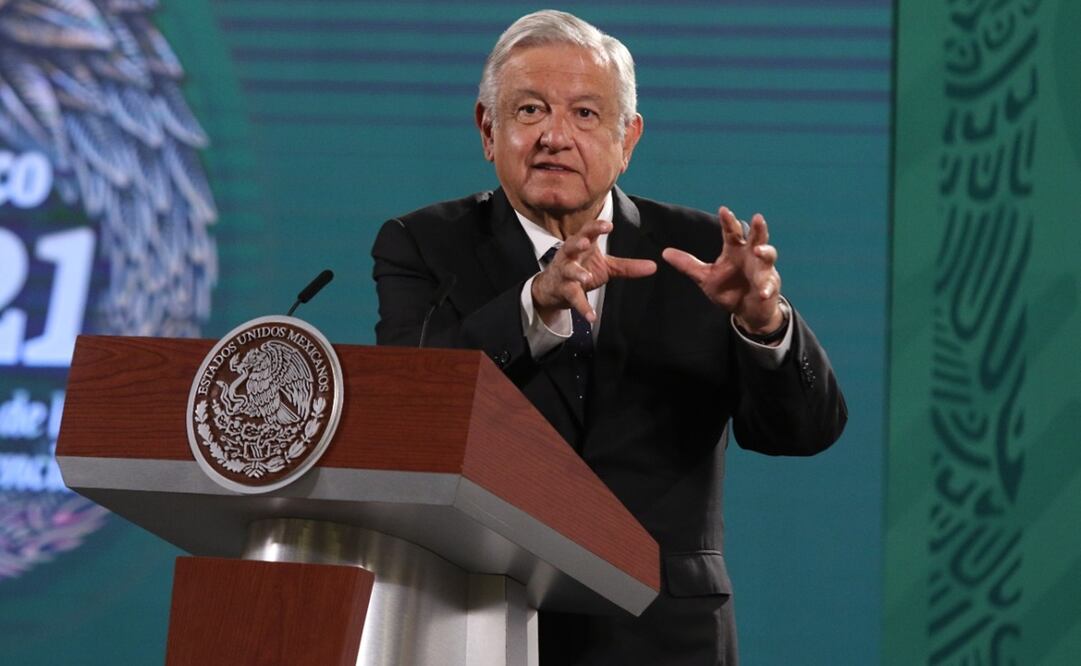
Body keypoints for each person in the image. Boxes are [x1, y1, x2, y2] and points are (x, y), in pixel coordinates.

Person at [371, 10, 847, 665]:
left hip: (662, 633)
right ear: (488, 129)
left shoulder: (703, 252)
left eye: (586, 115)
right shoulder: (423, 245)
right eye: (530, 110)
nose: (554, 137)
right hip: (477, 622)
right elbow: (407, 410)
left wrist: (764, 326)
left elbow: (803, 432)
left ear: (628, 138)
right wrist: (530, 307)